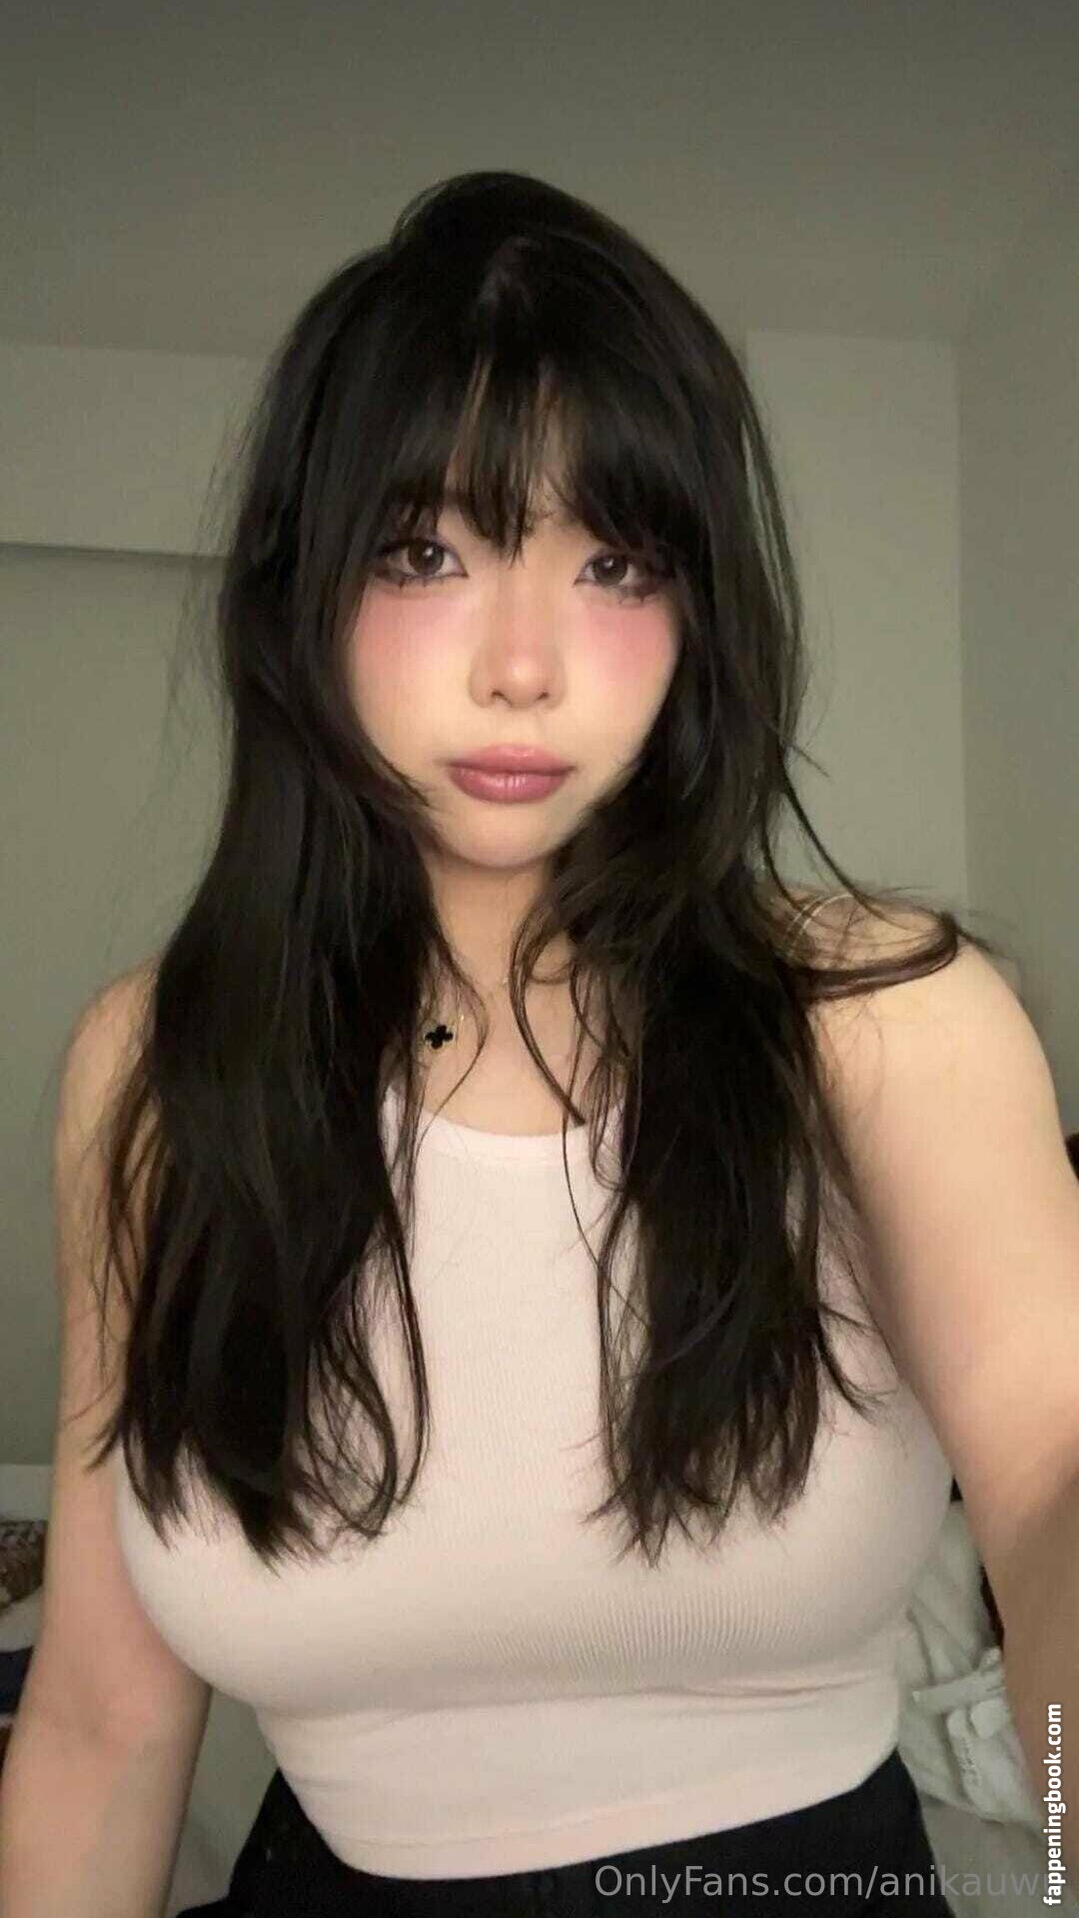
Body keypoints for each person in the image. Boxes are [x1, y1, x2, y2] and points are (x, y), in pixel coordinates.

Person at [15, 169, 1027, 1915]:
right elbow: (104, 1720)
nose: (524, 666)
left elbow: (1060, 1472)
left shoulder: (879, 1015)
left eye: (613, 563)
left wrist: (1066, 1834)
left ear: (699, 611)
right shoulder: (158, 1070)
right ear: (305, 589)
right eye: (428, 552)